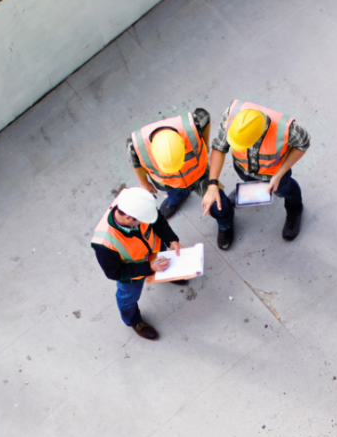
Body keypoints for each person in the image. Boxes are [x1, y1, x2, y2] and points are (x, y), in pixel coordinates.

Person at [201, 99, 310, 242]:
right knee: (250, 183)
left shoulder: (286, 128)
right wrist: (213, 184)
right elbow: (219, 148)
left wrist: (280, 174)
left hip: (274, 175)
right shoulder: (231, 116)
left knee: (286, 190)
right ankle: (251, 191)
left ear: (259, 135)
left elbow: (303, 143)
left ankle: (295, 211)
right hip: (243, 168)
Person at [128, 108, 235, 249]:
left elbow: (205, 117)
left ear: (182, 143)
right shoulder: (136, 145)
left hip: (199, 174)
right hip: (169, 182)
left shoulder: (193, 124)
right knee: (174, 192)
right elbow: (136, 162)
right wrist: (144, 183)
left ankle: (225, 223)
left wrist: (205, 142)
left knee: (218, 204)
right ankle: (177, 197)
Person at [91, 187, 184, 340]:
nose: (146, 221)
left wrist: (171, 240)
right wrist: (149, 268)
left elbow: (158, 221)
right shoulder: (104, 243)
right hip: (132, 274)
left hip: (156, 250)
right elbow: (114, 272)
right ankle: (133, 321)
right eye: (143, 221)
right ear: (128, 218)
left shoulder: (138, 205)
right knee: (128, 298)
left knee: (165, 265)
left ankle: (167, 274)